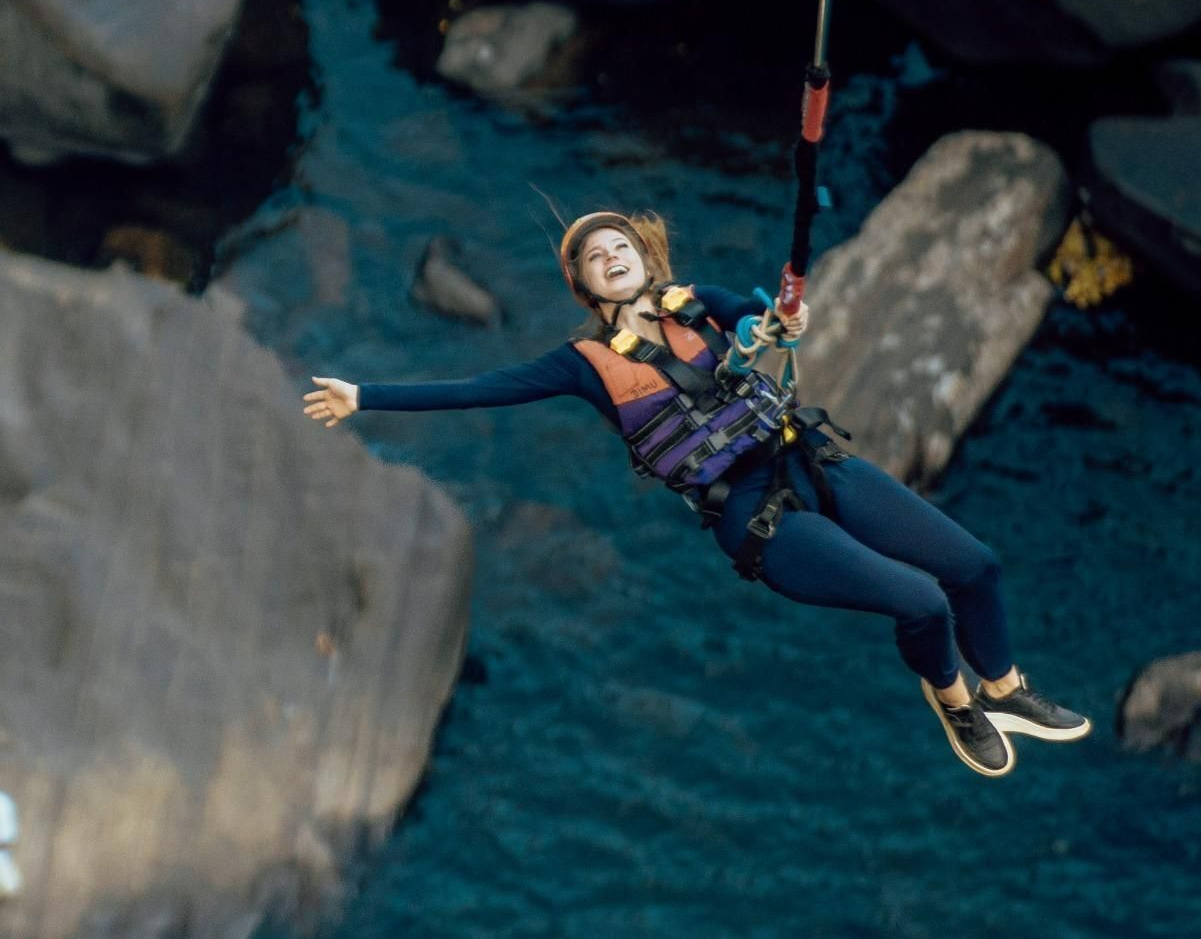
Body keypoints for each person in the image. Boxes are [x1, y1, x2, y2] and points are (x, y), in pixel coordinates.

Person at [304, 210, 1091, 777]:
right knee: (921, 603)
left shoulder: (698, 304)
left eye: (620, 244)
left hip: (813, 464)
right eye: (592, 256)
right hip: (756, 515)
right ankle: (957, 704)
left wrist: (775, 322)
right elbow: (479, 388)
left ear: (646, 258)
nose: (610, 255)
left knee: (975, 565)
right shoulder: (584, 363)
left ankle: (1006, 690)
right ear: (582, 285)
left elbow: (759, 319)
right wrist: (363, 395)